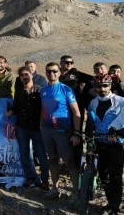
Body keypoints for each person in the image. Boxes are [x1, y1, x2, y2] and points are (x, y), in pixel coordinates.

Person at [40, 62, 81, 207]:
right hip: (47, 131)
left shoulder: (66, 90)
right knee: (52, 160)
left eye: (54, 71)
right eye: (48, 71)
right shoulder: (43, 91)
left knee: (69, 162)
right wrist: (41, 126)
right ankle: (55, 188)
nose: (51, 74)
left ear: (58, 73)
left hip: (63, 131)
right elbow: (43, 109)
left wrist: (77, 133)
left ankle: (76, 193)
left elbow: (76, 112)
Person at [7, 66, 49, 191]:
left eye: (26, 74)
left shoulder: (40, 90)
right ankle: (30, 177)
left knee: (41, 154)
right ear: (19, 78)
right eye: (22, 76)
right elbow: (16, 107)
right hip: (22, 127)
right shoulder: (19, 92)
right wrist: (11, 111)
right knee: (24, 153)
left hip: (37, 128)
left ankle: (45, 180)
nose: (24, 77)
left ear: (31, 74)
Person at [87, 74, 124, 215]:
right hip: (99, 143)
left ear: (110, 86)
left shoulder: (121, 101)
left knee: (115, 177)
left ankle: (115, 207)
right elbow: (91, 123)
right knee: (103, 176)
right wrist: (88, 134)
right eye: (99, 86)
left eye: (105, 85)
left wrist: (119, 131)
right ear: (95, 87)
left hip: (116, 145)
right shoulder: (92, 103)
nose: (102, 88)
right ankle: (110, 202)